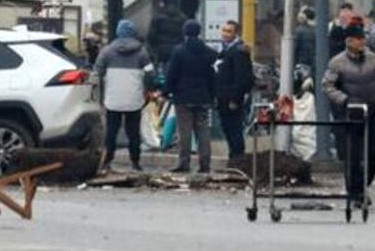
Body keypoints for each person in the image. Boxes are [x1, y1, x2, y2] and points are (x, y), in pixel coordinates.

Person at [322, 18, 375, 202]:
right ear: (349, 41)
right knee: (352, 157)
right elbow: (328, 86)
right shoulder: (337, 63)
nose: (363, 42)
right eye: (359, 39)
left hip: (371, 113)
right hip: (349, 116)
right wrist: (344, 101)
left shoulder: (374, 60)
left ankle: (360, 188)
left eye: (363, 38)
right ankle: (356, 193)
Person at [92, 19, 155, 173]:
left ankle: (107, 161)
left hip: (113, 98)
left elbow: (96, 73)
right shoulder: (142, 52)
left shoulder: (107, 52)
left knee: (111, 132)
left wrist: (98, 95)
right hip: (134, 98)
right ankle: (135, 162)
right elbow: (150, 73)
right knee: (133, 132)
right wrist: (147, 88)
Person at [164, 19, 218, 174]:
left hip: (183, 96)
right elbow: (212, 76)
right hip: (203, 97)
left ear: (185, 32)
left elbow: (172, 74)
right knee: (203, 131)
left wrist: (166, 91)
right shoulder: (209, 52)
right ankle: (205, 164)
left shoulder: (179, 51)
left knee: (184, 131)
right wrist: (213, 95)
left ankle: (184, 163)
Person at [215, 20, 254, 167]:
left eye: (229, 31)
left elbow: (242, 78)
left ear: (236, 33)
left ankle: (238, 160)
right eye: (224, 30)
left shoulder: (238, 52)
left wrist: (235, 99)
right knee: (228, 129)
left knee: (234, 130)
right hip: (223, 97)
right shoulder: (224, 50)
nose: (225, 34)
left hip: (231, 99)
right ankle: (234, 159)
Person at [148, 0, 187, 67]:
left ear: (163, 3)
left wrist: (153, 50)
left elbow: (151, 36)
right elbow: (184, 35)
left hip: (161, 53)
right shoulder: (183, 17)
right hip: (178, 51)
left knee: (162, 74)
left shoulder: (157, 18)